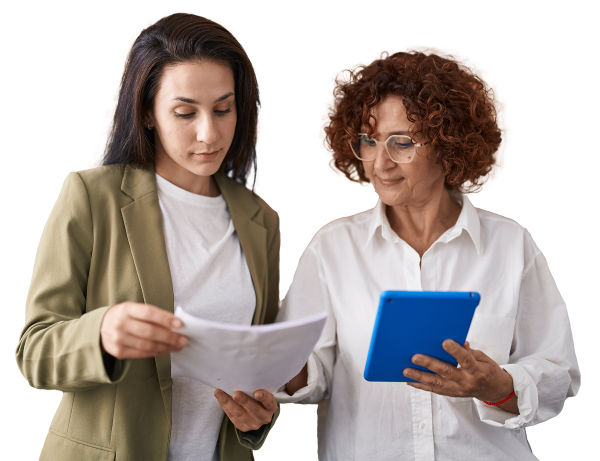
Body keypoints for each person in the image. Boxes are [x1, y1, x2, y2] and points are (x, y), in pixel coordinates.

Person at [275, 45, 580, 460]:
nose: (380, 163)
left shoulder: (510, 244)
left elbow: (558, 374)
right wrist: (278, 355)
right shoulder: (332, 247)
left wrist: (498, 386)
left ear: (447, 142)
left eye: (402, 142)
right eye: (369, 141)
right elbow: (311, 377)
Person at [16, 12, 280, 461]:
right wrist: (101, 334)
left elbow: (258, 359)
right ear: (147, 112)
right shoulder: (91, 198)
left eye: (223, 109)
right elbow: (35, 352)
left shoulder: (261, 220)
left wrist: (260, 417)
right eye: (185, 112)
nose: (209, 133)